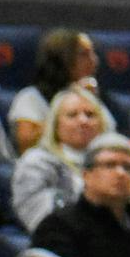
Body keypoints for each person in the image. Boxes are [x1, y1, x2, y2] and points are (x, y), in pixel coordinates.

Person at [11, 85, 105, 232]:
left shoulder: (117, 163)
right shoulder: (36, 162)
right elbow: (39, 220)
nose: (83, 121)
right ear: (55, 125)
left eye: (90, 115)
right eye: (72, 115)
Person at [7, 29, 106, 154]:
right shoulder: (31, 98)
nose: (94, 61)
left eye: (93, 53)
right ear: (62, 59)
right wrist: (67, 102)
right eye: (84, 54)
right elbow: (27, 145)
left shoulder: (92, 97)